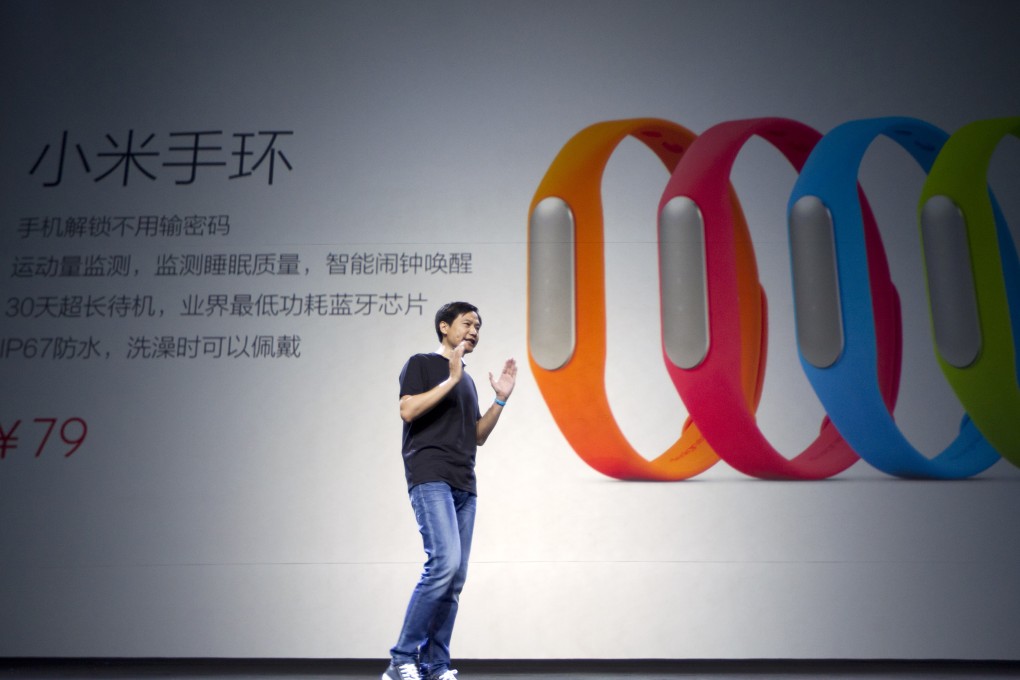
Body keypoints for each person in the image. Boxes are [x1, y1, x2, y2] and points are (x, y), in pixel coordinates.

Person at [383, 301, 517, 680]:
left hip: (464, 484)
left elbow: (477, 435)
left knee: (455, 578)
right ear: (444, 327)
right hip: (431, 477)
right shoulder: (422, 363)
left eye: (479, 326)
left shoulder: (469, 380)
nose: (474, 330)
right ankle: (400, 660)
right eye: (467, 323)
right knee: (442, 564)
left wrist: (501, 400)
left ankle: (436, 665)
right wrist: (450, 380)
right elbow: (408, 411)